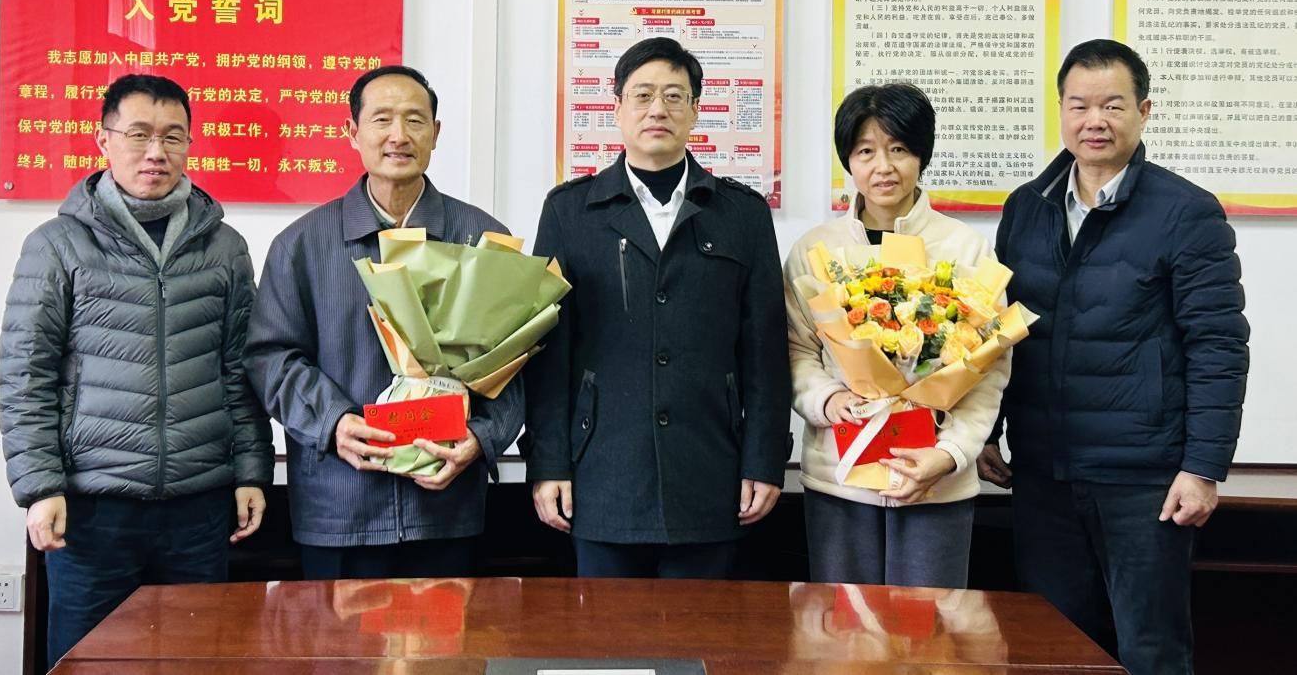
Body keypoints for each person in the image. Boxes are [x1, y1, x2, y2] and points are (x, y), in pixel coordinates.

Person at [978, 39, 1249, 674]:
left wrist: (1203, 467)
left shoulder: (1187, 212)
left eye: (1112, 105)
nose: (1093, 121)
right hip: (1042, 472)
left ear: (1144, 111)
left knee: (1150, 649)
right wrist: (988, 431)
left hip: (1143, 479)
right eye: (1079, 105)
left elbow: (1218, 345)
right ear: (1061, 111)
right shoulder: (1027, 207)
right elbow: (1000, 330)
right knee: (1052, 650)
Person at [0, 74, 272, 668]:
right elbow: (26, 374)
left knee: (196, 661)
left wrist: (252, 469)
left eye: (173, 136)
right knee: (89, 662)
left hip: (199, 506)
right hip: (93, 509)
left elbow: (240, 368)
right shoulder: (58, 245)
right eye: (139, 134)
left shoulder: (224, 247)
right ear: (104, 140)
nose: (156, 152)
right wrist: (40, 487)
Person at [524, 37, 790, 578]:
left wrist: (765, 460)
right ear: (617, 108)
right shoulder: (570, 211)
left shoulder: (741, 214)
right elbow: (548, 352)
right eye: (642, 95)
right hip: (601, 473)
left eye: (674, 96)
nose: (657, 109)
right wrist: (547, 463)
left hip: (711, 470)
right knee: (606, 630)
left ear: (695, 109)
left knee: (704, 627)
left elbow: (764, 350)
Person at [243, 64, 522, 579]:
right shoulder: (301, 245)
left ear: (436, 133)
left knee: (451, 634)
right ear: (352, 132)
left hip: (446, 509)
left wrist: (482, 438)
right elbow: (271, 359)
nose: (399, 135)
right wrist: (333, 423)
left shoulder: (481, 239)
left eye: (415, 120)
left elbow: (517, 366)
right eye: (382, 119)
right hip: (339, 506)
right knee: (336, 635)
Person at [783, 83, 1010, 588]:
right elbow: (796, 349)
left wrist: (950, 454)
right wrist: (827, 399)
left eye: (899, 149)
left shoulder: (965, 248)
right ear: (848, 160)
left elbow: (988, 368)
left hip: (936, 482)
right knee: (841, 629)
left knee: (929, 629)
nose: (883, 167)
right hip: (840, 475)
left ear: (921, 156)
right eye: (866, 151)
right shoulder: (815, 251)